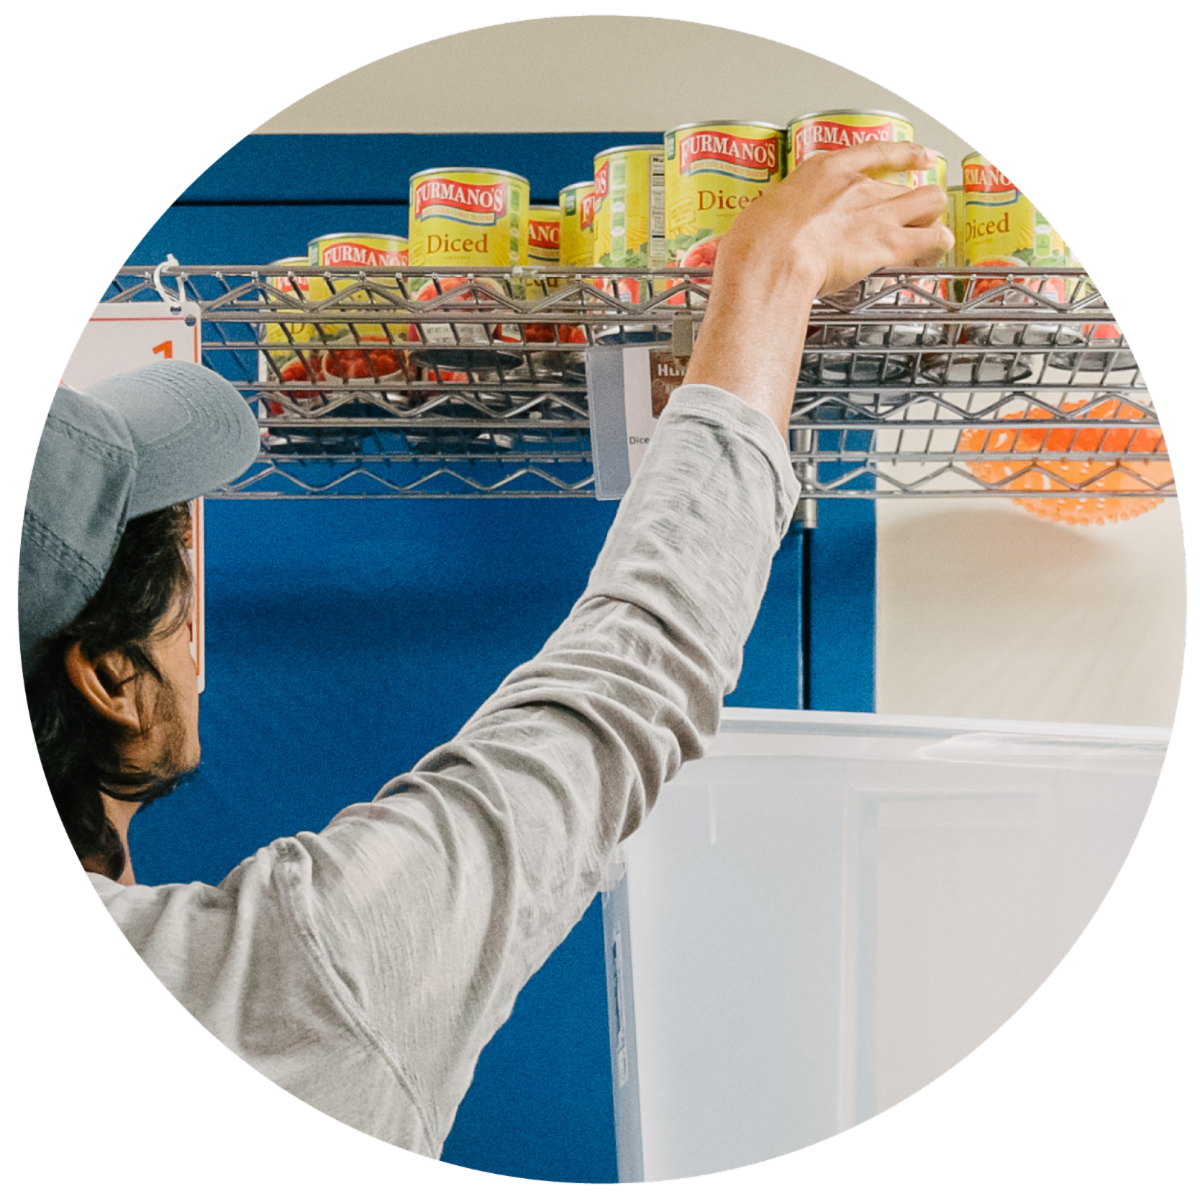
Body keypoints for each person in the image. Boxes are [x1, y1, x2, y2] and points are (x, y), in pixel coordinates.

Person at [22, 141, 951, 1158]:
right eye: (179, 603)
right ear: (113, 677)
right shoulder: (276, 990)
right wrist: (768, 275)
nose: (197, 623)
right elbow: (630, 673)